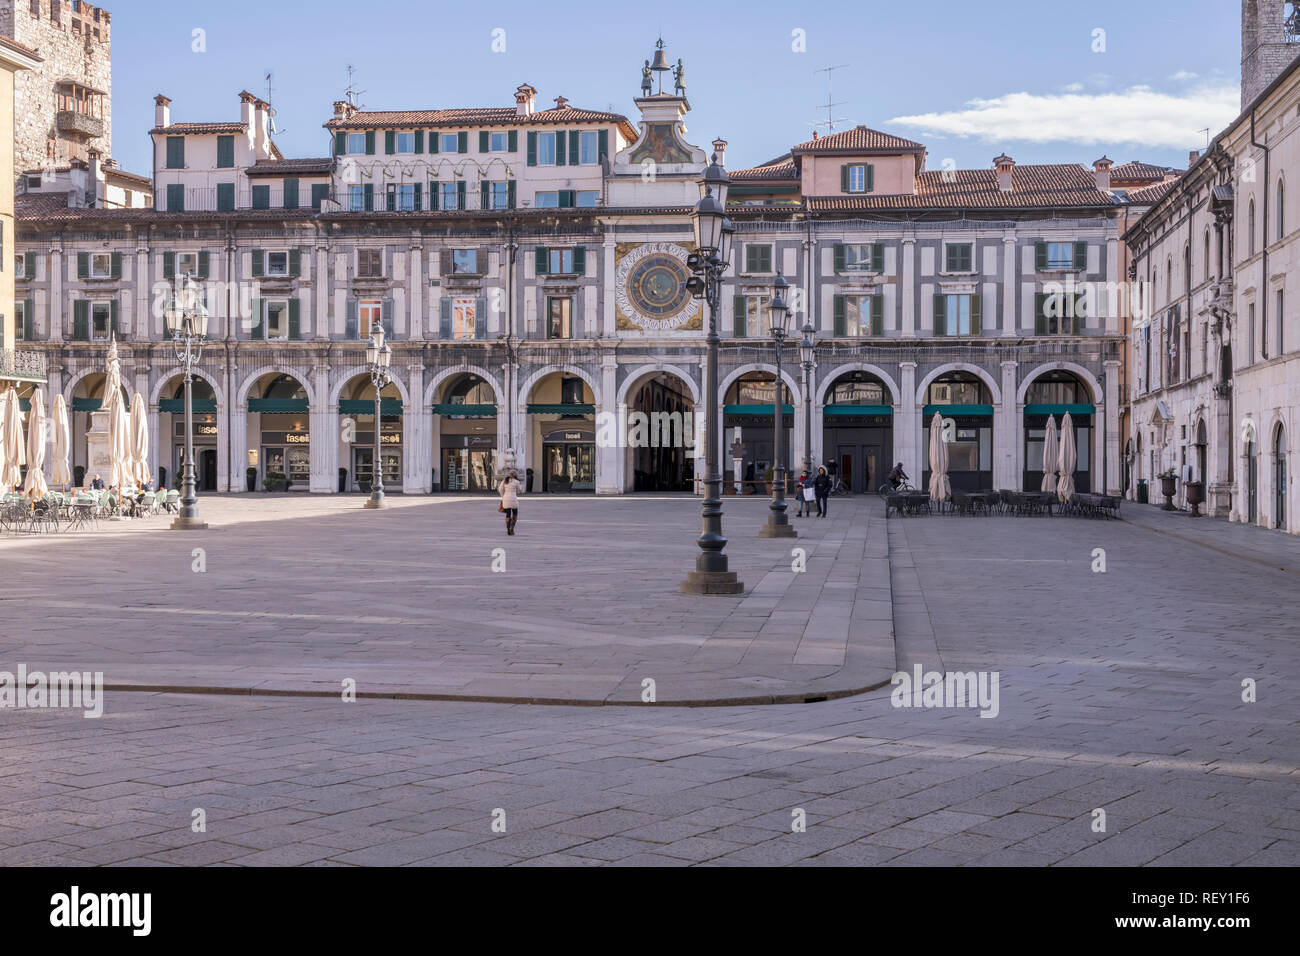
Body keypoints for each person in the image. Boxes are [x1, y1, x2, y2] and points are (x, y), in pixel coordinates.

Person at [497, 469, 522, 535]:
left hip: (506, 499)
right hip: (513, 499)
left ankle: (508, 528)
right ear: (515, 475)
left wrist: (503, 496)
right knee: (515, 513)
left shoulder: (504, 480)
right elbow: (520, 490)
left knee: (508, 513)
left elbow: (500, 489)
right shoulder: (516, 481)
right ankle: (512, 528)